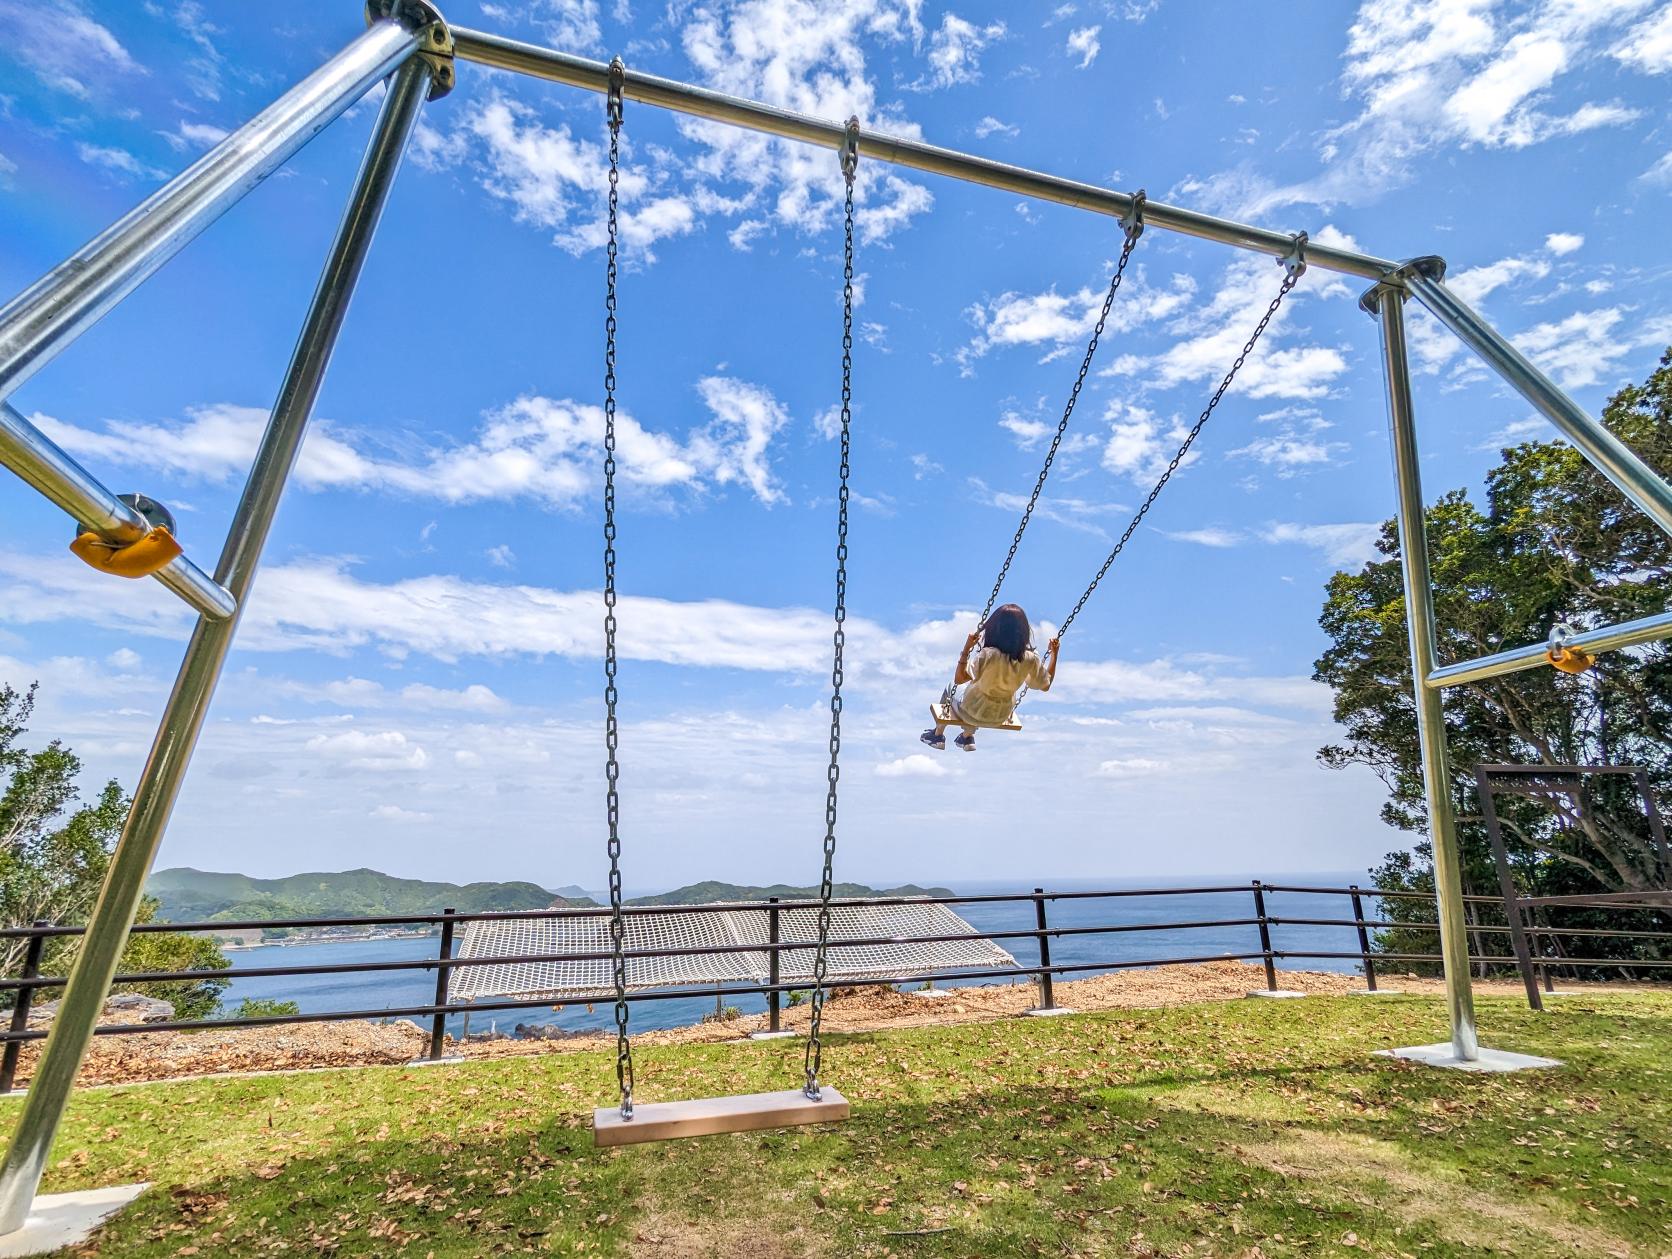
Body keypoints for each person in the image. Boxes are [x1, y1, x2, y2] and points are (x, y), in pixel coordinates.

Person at [921, 603, 1058, 751]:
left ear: (995, 629)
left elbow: (959, 679)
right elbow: (1045, 685)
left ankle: (938, 735)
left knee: (953, 688)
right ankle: (967, 738)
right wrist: (1054, 655)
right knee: (975, 693)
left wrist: (966, 649)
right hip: (1001, 715)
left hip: (971, 711)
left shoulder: (989, 654)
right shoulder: (1030, 659)